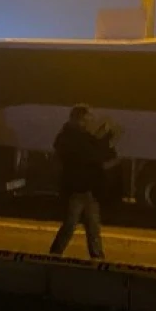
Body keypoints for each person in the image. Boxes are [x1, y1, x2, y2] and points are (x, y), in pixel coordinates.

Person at [48, 105, 117, 260]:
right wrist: (102, 139)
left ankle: (97, 258)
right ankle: (54, 256)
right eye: (83, 120)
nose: (86, 123)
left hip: (88, 190)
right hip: (76, 190)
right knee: (70, 226)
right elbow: (89, 153)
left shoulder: (77, 136)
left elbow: (93, 151)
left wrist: (103, 138)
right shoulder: (68, 138)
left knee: (93, 228)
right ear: (75, 119)